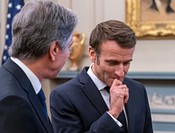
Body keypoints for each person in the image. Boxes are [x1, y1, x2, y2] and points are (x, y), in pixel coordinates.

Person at [50, 20, 153, 133]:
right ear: (92, 54)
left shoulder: (138, 90)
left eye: (126, 63)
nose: (121, 73)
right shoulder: (64, 96)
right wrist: (113, 114)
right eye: (112, 63)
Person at [0, 0, 78, 133]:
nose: (68, 54)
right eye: (69, 47)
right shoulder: (15, 102)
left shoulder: (12, 79)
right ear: (54, 50)